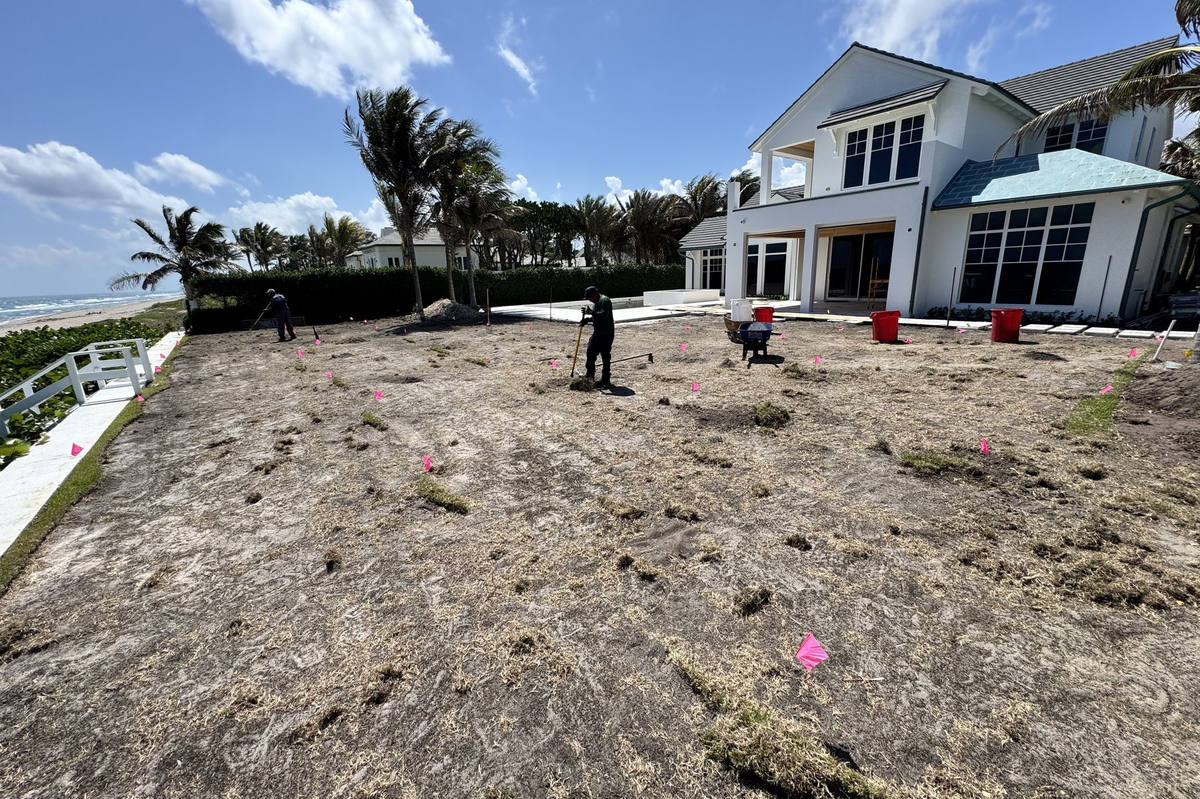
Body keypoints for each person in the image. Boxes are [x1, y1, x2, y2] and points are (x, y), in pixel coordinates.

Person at [580, 285, 614, 389]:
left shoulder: (605, 300)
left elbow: (603, 314)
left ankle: (605, 379)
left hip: (606, 333)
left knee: (605, 355)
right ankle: (590, 376)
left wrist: (591, 312)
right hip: (597, 333)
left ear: (594, 294)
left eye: (589, 297)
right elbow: (596, 316)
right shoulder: (596, 303)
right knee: (590, 352)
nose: (589, 300)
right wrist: (587, 320)